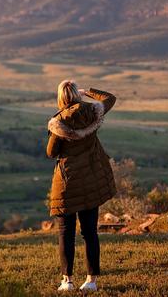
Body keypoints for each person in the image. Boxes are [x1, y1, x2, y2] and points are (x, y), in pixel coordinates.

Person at [46, 80, 117, 293]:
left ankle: (67, 281)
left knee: (65, 233)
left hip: (67, 184)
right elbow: (110, 99)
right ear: (77, 94)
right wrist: (89, 93)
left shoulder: (58, 122)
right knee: (90, 232)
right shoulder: (92, 112)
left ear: (61, 97)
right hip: (90, 182)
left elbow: (51, 153)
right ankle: (91, 280)